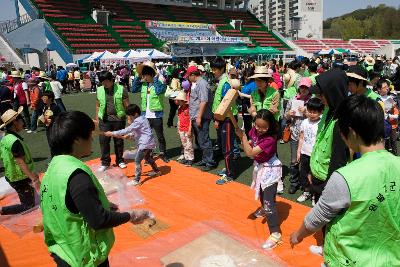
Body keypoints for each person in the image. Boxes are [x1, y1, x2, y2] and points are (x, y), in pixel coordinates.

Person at [290, 95, 400, 267]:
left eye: (341, 132)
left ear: (352, 133)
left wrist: (297, 235)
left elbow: (317, 217)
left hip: (347, 260)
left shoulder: (345, 177)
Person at [41, 111, 153, 267]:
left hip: (62, 248)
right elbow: (99, 220)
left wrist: (99, 202)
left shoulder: (53, 167)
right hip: (83, 257)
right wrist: (132, 215)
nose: (92, 139)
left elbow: (67, 202)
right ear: (77, 140)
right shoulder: (77, 176)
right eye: (89, 135)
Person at [307, 69, 349, 255]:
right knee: (324, 217)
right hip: (319, 176)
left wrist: (330, 186)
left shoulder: (341, 120)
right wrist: (312, 170)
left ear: (332, 92)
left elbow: (338, 160)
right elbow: (319, 144)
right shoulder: (329, 111)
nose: (318, 97)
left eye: (321, 93)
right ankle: (325, 247)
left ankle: (331, 253)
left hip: (329, 180)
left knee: (333, 219)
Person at [236, 109, 283, 250]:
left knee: (269, 201)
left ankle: (275, 233)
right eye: (257, 126)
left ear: (270, 126)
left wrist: (243, 138)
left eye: (264, 127)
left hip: (270, 169)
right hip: (260, 167)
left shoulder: (270, 139)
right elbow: (251, 141)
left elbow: (250, 153)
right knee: (262, 193)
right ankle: (263, 208)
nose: (260, 129)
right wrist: (243, 137)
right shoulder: (254, 130)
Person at [104, 104, 161, 186]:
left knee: (137, 161)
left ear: (135, 114)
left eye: (130, 116)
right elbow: (138, 130)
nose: (129, 118)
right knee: (148, 158)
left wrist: (112, 133)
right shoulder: (143, 118)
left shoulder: (138, 121)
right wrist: (130, 135)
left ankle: (137, 180)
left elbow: (128, 129)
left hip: (145, 144)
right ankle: (157, 171)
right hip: (149, 143)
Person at [0, 107, 39, 215]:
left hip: (12, 175)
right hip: (19, 178)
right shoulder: (14, 141)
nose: (23, 122)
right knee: (28, 206)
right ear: (14, 122)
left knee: (32, 194)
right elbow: (20, 162)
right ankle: (3, 210)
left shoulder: (5, 137)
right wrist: (32, 178)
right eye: (21, 119)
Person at [132, 61, 169, 163]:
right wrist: (137, 76)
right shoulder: (143, 85)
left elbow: (159, 91)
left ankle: (163, 154)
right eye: (143, 74)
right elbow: (133, 89)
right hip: (145, 116)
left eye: (145, 75)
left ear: (151, 74)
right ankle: (149, 156)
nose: (144, 77)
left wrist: (155, 78)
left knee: (160, 137)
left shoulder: (160, 83)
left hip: (156, 116)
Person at [210, 57, 238, 184]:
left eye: (215, 69)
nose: (213, 71)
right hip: (223, 118)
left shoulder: (225, 83)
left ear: (222, 69)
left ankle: (230, 174)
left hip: (226, 118)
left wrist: (217, 119)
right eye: (212, 68)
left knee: (227, 147)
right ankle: (228, 168)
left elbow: (225, 104)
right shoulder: (222, 81)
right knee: (224, 146)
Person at [95, 71, 129, 172]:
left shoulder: (121, 89)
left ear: (111, 80)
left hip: (119, 119)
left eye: (106, 81)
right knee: (104, 141)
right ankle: (105, 162)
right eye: (102, 82)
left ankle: (120, 160)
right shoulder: (99, 90)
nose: (104, 84)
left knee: (118, 140)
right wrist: (97, 118)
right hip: (104, 120)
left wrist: (130, 118)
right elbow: (97, 105)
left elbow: (127, 105)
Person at [284, 77, 313, 195]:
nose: (303, 89)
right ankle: (294, 183)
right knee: (294, 161)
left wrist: (306, 113)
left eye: (306, 87)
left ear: (310, 88)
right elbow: (285, 116)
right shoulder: (292, 99)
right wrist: (289, 114)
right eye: (302, 87)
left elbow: (318, 118)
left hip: (310, 136)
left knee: (308, 161)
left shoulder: (313, 101)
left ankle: (307, 185)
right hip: (295, 134)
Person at [187, 65, 216, 171]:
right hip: (197, 115)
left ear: (193, 75)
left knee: (204, 139)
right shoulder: (197, 83)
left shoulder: (202, 84)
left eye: (188, 76)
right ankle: (205, 159)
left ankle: (210, 161)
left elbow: (204, 101)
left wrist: (199, 117)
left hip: (202, 116)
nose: (188, 78)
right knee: (200, 139)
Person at [296, 98, 324, 202]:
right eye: (309, 111)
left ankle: (315, 194)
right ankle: (306, 191)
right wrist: (299, 151)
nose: (312, 114)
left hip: (315, 155)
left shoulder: (321, 123)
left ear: (321, 112)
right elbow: (301, 137)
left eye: (314, 112)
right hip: (304, 153)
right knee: (303, 173)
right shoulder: (304, 122)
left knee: (315, 175)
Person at [376, 78, 398, 155]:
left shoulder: (391, 98)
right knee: (383, 144)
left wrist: (392, 108)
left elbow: (395, 112)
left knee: (392, 142)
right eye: (384, 87)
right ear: (379, 89)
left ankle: (394, 155)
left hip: (391, 124)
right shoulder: (377, 99)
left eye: (387, 86)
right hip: (382, 125)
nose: (387, 88)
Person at [174, 91, 194, 166]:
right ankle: (186, 157)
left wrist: (190, 129)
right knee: (184, 144)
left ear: (183, 101)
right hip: (181, 129)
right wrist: (178, 129)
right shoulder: (179, 109)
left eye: (178, 100)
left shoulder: (188, 108)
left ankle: (190, 158)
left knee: (189, 144)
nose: (177, 102)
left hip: (187, 129)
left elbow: (191, 119)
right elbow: (179, 119)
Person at [41, 91, 61, 157]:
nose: (42, 98)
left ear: (50, 98)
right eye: (42, 97)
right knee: (51, 144)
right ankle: (54, 159)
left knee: (56, 144)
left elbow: (60, 118)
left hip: (55, 129)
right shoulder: (44, 107)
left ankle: (58, 159)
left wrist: (52, 120)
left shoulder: (55, 107)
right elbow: (44, 117)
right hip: (48, 129)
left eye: (44, 97)